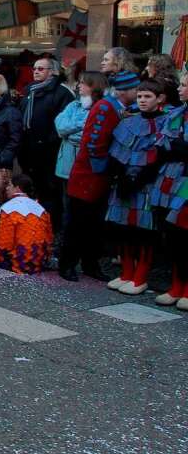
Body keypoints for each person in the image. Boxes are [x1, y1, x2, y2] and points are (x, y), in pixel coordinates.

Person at [63, 70, 140, 281]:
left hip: (100, 175)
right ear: (126, 91)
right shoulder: (105, 108)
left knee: (94, 225)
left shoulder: (118, 107)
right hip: (89, 174)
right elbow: (94, 142)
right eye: (135, 89)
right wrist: (108, 168)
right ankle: (67, 263)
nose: (138, 93)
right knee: (77, 223)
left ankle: (90, 264)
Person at [104, 78, 167, 295]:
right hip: (124, 183)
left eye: (147, 96)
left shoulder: (166, 123)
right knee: (123, 229)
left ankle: (140, 276)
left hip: (147, 184)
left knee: (144, 232)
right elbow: (117, 153)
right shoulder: (128, 123)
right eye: (139, 96)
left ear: (160, 99)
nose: (142, 100)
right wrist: (120, 177)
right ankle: (126, 273)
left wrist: (140, 179)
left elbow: (159, 157)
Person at [54, 71, 108, 278]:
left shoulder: (102, 108)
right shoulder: (73, 106)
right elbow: (60, 127)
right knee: (72, 218)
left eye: (84, 84)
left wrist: (74, 132)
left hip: (92, 170)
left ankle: (90, 263)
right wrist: (79, 127)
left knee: (93, 220)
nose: (79, 87)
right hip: (68, 169)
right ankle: (67, 263)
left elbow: (90, 136)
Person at [18, 57, 74, 232]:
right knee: (31, 188)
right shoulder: (29, 91)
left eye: (41, 69)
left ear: (53, 72)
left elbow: (61, 123)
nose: (36, 71)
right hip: (28, 148)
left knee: (50, 192)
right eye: (34, 68)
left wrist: (47, 142)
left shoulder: (62, 93)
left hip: (48, 152)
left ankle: (49, 228)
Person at [153, 73, 188, 309]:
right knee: (173, 234)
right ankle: (176, 286)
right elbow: (163, 143)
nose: (181, 89)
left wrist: (179, 148)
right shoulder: (177, 113)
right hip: (171, 178)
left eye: (185, 85)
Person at [0, 172, 53, 274]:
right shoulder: (41, 209)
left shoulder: (9, 208)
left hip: (18, 263)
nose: (7, 188)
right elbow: (49, 239)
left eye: (9, 185)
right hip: (38, 263)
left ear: (17, 188)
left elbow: (4, 243)